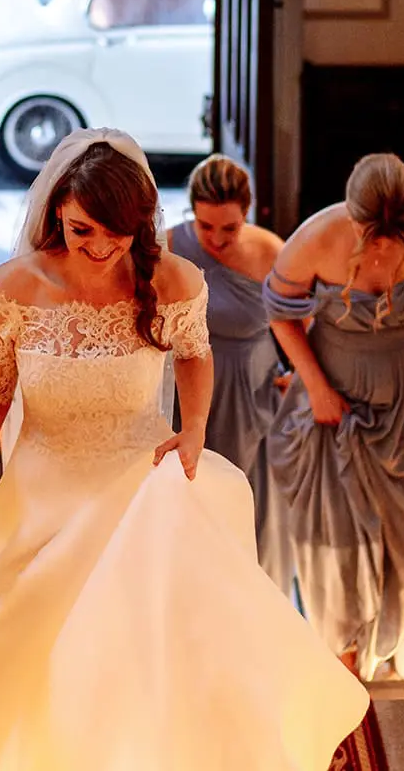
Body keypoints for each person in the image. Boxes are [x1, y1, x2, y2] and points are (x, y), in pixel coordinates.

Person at [0, 130, 367, 770]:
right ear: (58, 210)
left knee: (135, 650)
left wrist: (194, 426)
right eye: (83, 230)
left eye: (114, 233)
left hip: (141, 483)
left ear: (137, 224)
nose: (99, 247)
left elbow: (195, 357)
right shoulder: (15, 288)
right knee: (2, 637)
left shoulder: (171, 279)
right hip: (40, 491)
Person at [263, 153, 404, 683]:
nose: (379, 248)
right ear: (352, 216)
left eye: (390, 236)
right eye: (369, 233)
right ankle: (344, 656)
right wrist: (317, 388)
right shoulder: (313, 239)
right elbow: (281, 316)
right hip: (338, 397)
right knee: (340, 530)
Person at [166, 154, 293, 592]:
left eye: (230, 228)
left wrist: (297, 374)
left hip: (252, 390)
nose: (216, 239)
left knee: (253, 502)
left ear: (248, 212)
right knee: (194, 498)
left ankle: (255, 603)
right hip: (190, 389)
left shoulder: (270, 252)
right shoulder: (167, 247)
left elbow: (302, 323)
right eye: (205, 226)